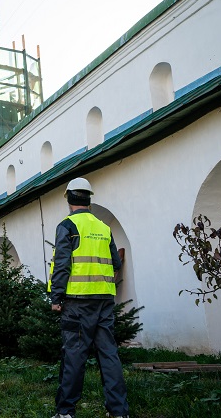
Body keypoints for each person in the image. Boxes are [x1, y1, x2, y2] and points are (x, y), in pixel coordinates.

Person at [48, 178, 129, 418]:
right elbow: (116, 264)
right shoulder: (104, 228)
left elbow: (62, 265)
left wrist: (56, 297)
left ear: (69, 199)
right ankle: (119, 412)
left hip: (77, 302)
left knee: (74, 356)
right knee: (109, 354)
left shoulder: (67, 226)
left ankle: (65, 412)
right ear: (89, 200)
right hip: (104, 301)